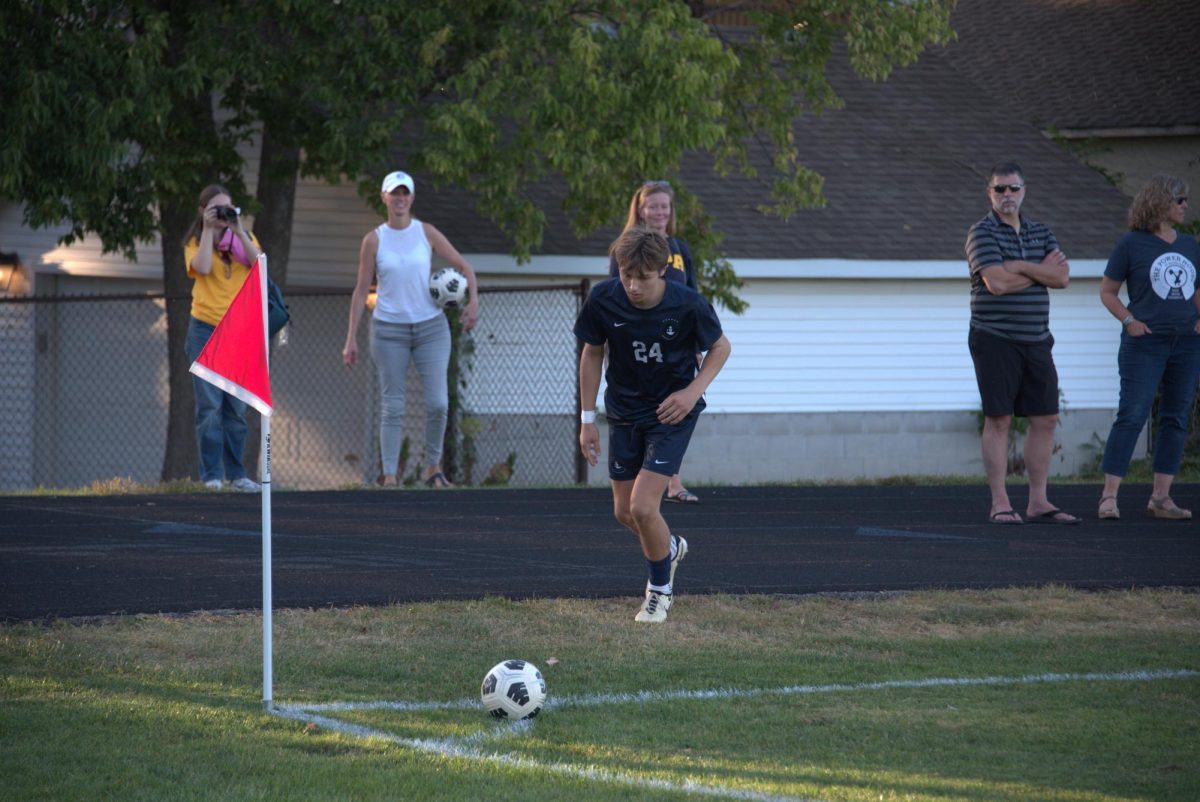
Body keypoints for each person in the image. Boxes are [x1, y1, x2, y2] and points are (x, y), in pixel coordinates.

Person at [576, 226, 731, 622]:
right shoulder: (603, 299)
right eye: (626, 274)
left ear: (662, 271)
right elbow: (592, 354)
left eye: (641, 277)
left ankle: (659, 593)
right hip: (624, 410)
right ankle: (670, 546)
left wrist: (692, 392)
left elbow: (720, 346)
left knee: (644, 507)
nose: (631, 285)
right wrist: (586, 419)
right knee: (624, 513)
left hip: (671, 413)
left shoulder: (688, 304)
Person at [343, 170, 479, 488]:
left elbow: (465, 267)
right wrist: (350, 338)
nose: (400, 198)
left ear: (412, 198)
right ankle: (390, 476)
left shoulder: (426, 233)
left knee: (438, 403)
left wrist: (473, 303)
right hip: (389, 330)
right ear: (384, 198)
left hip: (431, 327)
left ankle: (433, 467)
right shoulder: (374, 239)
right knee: (393, 405)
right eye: (394, 193)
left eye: (405, 193)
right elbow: (361, 290)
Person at [964, 162, 1080, 525]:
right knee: (999, 419)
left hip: (1037, 339)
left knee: (1045, 418)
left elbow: (1061, 277)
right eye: (1000, 189)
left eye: (1013, 189)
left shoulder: (1040, 231)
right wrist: (1037, 269)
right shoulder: (981, 233)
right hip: (995, 339)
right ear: (990, 193)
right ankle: (1000, 503)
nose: (1007, 195)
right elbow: (996, 284)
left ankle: (1038, 502)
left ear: (1024, 191)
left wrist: (1019, 265)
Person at [1096, 176, 1199, 521]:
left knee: (1175, 418)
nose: (1185, 205)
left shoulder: (1189, 245)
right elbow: (1108, 291)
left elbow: (1194, 288)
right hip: (1145, 343)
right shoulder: (1131, 245)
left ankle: (1161, 497)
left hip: (1185, 343)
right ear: (1160, 202)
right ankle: (1109, 497)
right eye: (1180, 199)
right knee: (1132, 415)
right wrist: (1129, 322)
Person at [608, 180, 702, 504]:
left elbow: (693, 297)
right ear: (640, 209)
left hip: (676, 343)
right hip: (639, 344)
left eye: (665, 206)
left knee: (675, 408)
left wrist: (697, 344)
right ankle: (644, 483)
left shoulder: (680, 250)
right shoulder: (626, 246)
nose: (660, 212)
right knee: (645, 407)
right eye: (653, 206)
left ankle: (672, 483)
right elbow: (613, 296)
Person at [183, 184, 263, 492]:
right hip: (204, 329)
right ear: (203, 211)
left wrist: (239, 229)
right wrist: (207, 230)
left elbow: (259, 264)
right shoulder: (194, 241)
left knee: (236, 409)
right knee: (209, 407)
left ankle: (237, 474)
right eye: (216, 209)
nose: (222, 215)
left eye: (227, 209)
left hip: (238, 331)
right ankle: (212, 476)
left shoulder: (244, 238)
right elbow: (202, 266)